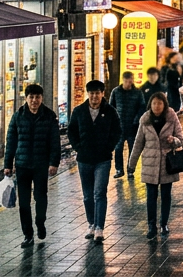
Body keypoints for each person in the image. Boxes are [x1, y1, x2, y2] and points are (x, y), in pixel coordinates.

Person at [3, 84, 60, 248]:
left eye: (37, 97)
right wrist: (8, 164)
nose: (34, 100)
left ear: (42, 98)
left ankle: (40, 222)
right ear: (26, 98)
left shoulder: (49, 116)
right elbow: (11, 141)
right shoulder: (17, 116)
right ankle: (28, 234)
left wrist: (53, 163)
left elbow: (55, 142)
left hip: (41, 165)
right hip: (22, 165)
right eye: (31, 97)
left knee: (41, 197)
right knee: (24, 202)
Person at [66, 79, 122, 244]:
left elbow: (117, 132)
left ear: (102, 94)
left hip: (103, 159)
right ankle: (91, 223)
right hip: (84, 159)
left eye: (98, 93)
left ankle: (99, 228)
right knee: (87, 195)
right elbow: (72, 131)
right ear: (88, 94)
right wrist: (78, 147)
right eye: (92, 93)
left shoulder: (110, 111)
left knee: (99, 193)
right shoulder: (79, 111)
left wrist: (109, 148)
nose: (95, 96)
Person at [129, 91, 183, 238]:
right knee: (151, 196)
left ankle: (164, 224)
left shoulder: (171, 117)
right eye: (154, 103)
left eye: (160, 103)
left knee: (166, 195)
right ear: (150, 104)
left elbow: (181, 139)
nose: (157, 106)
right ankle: (151, 226)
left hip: (167, 164)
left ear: (164, 104)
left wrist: (173, 140)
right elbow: (138, 143)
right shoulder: (145, 120)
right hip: (150, 164)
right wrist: (132, 163)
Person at [109, 71, 145, 179]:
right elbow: (111, 107)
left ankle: (130, 169)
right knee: (118, 148)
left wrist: (137, 120)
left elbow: (142, 107)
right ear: (123, 80)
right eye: (127, 81)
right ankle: (119, 169)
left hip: (132, 126)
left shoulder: (138, 93)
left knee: (132, 149)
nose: (129, 84)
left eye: (130, 81)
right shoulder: (116, 92)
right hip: (119, 126)